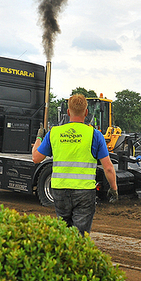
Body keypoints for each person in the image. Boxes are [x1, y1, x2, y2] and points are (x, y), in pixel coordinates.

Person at [32, 94, 118, 236]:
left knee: (64, 232)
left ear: (68, 112)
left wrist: (39, 137)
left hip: (59, 191)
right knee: (80, 235)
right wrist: (114, 189)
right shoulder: (95, 135)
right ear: (86, 112)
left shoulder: (54, 132)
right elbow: (108, 167)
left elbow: (36, 158)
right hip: (84, 192)